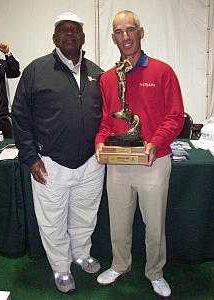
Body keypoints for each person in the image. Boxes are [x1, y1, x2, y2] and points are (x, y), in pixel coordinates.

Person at [12, 12, 105, 294]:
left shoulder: (96, 72)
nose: (69, 33)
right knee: (52, 220)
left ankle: (81, 253)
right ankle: (61, 267)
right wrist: (31, 157)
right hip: (50, 164)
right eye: (63, 30)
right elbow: (20, 115)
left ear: (83, 37)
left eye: (75, 29)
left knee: (85, 215)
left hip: (91, 163)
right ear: (54, 38)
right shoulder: (36, 70)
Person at [95, 10, 184, 298]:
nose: (125, 37)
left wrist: (156, 141)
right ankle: (120, 265)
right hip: (118, 162)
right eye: (119, 32)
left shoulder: (162, 71)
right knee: (118, 220)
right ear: (113, 38)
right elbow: (107, 121)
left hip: (153, 161)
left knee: (154, 223)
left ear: (141, 33)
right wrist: (99, 142)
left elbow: (175, 116)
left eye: (130, 30)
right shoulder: (107, 78)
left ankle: (155, 271)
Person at [0, 31, 20, 138]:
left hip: (2, 113)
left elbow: (15, 72)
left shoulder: (1, 63)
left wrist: (7, 53)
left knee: (5, 145)